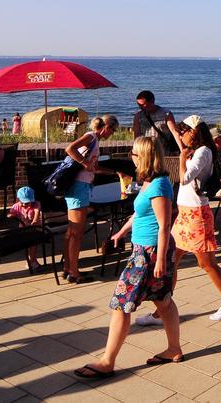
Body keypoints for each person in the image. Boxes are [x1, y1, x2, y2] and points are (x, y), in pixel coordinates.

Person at [74, 136, 181, 380]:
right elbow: (140, 212)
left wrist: (162, 261)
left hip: (150, 254)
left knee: (121, 304)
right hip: (144, 250)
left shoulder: (159, 185)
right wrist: (123, 230)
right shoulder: (149, 181)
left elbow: (165, 226)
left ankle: (107, 361)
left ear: (144, 156)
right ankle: (174, 349)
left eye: (133, 152)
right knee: (162, 301)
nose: (130, 156)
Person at [139, 120, 221, 326]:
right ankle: (163, 310)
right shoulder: (194, 149)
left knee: (206, 263)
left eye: (185, 131)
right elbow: (178, 140)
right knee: (171, 261)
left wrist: (182, 158)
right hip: (185, 214)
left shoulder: (203, 151)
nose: (182, 134)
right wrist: (172, 126)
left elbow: (185, 178)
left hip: (197, 214)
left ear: (194, 132)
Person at [61, 115, 118, 284]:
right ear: (106, 127)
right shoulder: (91, 136)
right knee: (76, 232)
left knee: (72, 231)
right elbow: (70, 149)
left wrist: (114, 173)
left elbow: (94, 166)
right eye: (113, 130)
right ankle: (74, 271)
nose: (112, 134)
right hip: (79, 186)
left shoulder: (94, 140)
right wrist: (84, 162)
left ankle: (68, 267)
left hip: (82, 186)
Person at [133, 90, 180, 155]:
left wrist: (182, 149)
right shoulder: (138, 116)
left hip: (163, 152)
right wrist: (135, 151)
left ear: (152, 101)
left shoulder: (166, 114)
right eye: (139, 105)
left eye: (143, 105)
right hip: (145, 153)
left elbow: (174, 132)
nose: (141, 107)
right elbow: (137, 136)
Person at [8, 186, 43, 273]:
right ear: (18, 199)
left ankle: (32, 260)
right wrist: (11, 215)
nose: (24, 204)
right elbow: (11, 213)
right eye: (22, 202)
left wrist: (35, 220)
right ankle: (32, 261)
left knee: (32, 243)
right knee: (28, 244)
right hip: (23, 230)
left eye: (27, 202)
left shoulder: (36, 204)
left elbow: (37, 213)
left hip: (35, 229)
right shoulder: (16, 206)